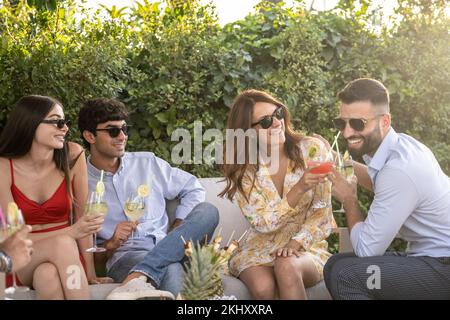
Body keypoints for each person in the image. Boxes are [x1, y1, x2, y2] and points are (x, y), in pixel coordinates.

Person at [77, 98, 219, 300]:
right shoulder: (81, 183)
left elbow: (193, 187)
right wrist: (111, 244)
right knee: (170, 267)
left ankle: (138, 276)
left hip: (172, 246)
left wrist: (176, 230)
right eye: (113, 131)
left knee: (208, 211)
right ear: (90, 135)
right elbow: (90, 258)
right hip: (126, 257)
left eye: (124, 129)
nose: (122, 136)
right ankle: (145, 270)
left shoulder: (147, 162)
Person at [324, 78, 450, 299]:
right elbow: (378, 182)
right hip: (430, 258)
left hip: (443, 267)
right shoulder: (400, 147)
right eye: (341, 123)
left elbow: (366, 251)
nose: (346, 133)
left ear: (384, 121)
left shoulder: (399, 170)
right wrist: (334, 159)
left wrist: (349, 200)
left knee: (347, 275)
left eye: (357, 124)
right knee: (335, 264)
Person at [219, 89, 336, 300]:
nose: (276, 123)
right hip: (260, 247)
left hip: (306, 246)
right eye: (265, 122)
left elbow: (322, 214)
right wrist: (299, 188)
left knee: (286, 266)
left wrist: (296, 243)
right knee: (263, 288)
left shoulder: (312, 150)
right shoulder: (244, 170)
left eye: (278, 114)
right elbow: (263, 224)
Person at [0, 95, 110, 300]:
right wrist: (69, 233)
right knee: (63, 243)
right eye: (57, 122)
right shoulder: (4, 167)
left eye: (65, 123)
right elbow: (12, 239)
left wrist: (90, 273)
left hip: (65, 260)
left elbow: (82, 219)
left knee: (47, 276)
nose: (65, 129)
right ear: (31, 123)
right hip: (22, 260)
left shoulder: (73, 156)